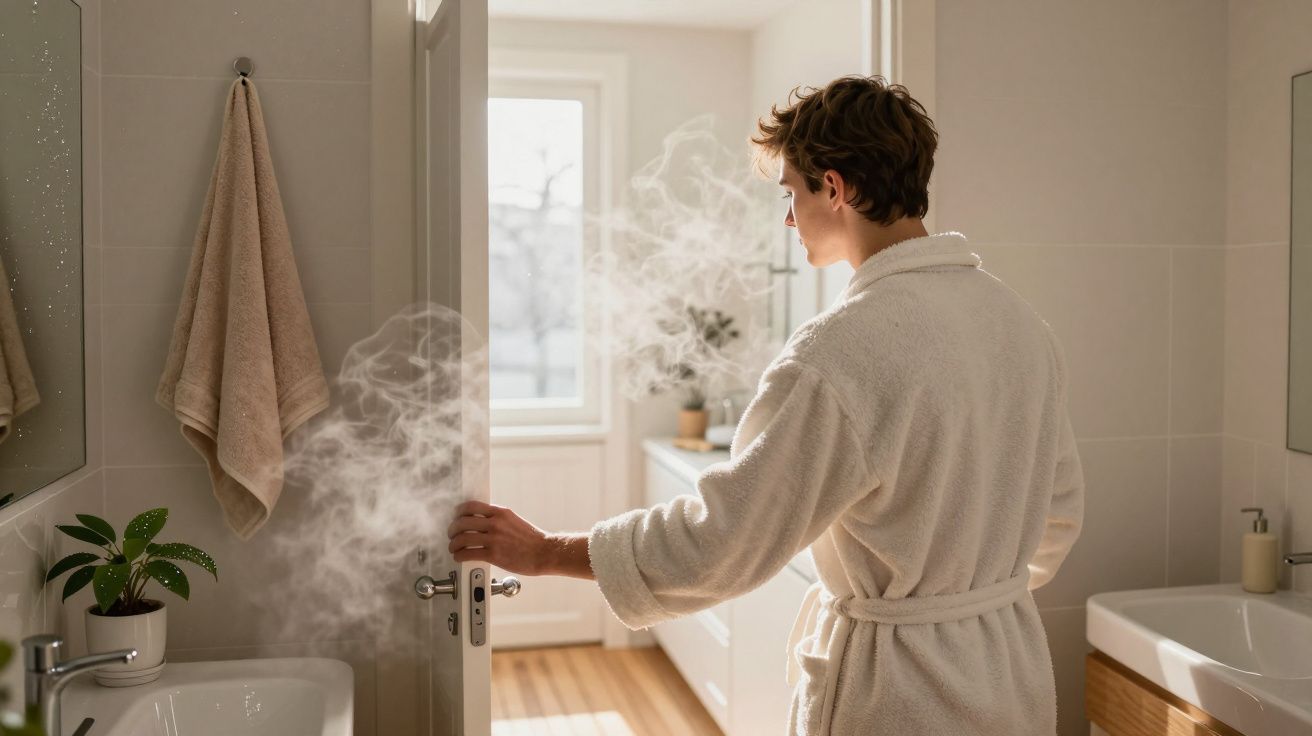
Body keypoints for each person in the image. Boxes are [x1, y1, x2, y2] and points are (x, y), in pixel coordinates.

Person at [447, 75, 1085, 735]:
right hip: (1011, 677)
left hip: (900, 698)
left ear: (833, 189)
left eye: (791, 193)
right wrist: (966, 603)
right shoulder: (1018, 323)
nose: (788, 218)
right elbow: (1056, 521)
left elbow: (721, 542)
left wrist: (546, 551)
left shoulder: (842, 350)